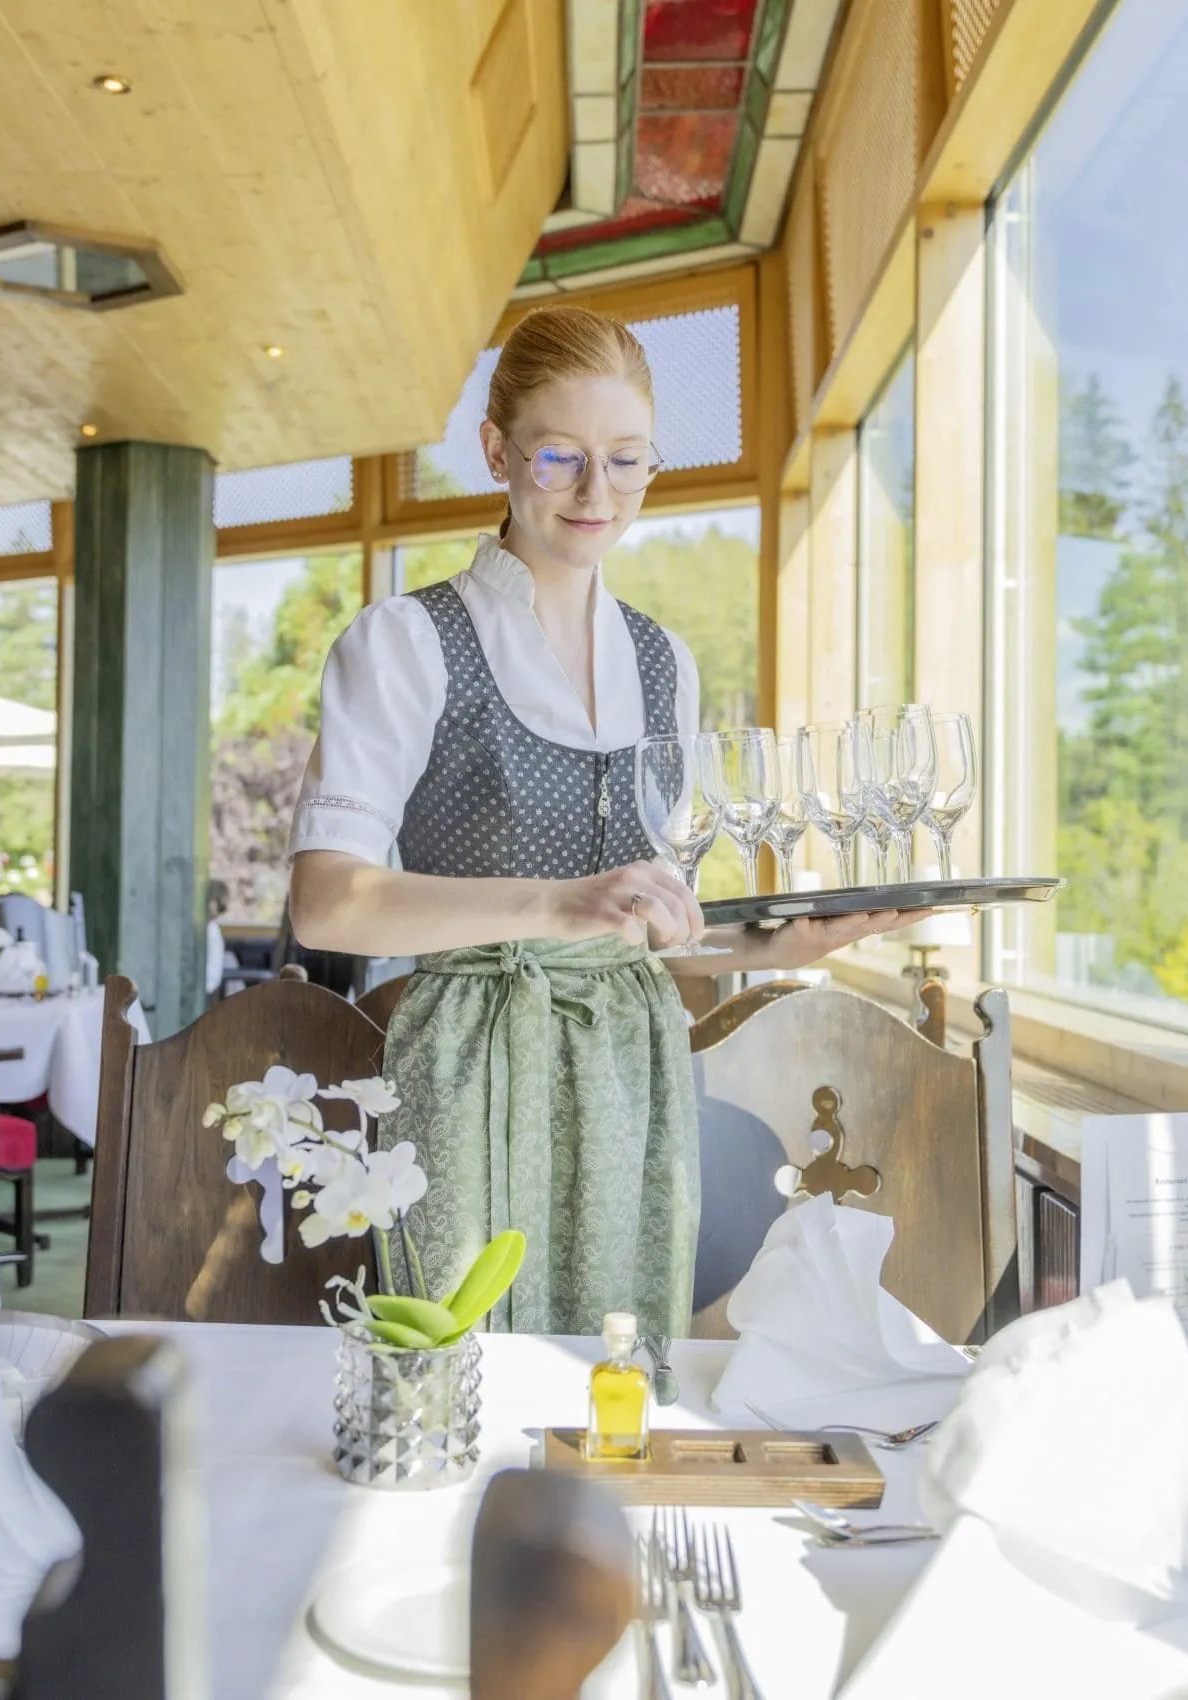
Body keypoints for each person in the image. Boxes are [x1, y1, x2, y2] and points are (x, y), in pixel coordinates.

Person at [289, 305, 912, 1340]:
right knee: (466, 1362)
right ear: (497, 451)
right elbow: (327, 901)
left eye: (628, 461)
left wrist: (766, 942)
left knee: (617, 1365)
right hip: (471, 1063)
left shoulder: (664, 662)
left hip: (633, 1068)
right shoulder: (406, 642)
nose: (598, 494)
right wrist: (555, 904)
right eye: (561, 457)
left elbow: (644, 927)